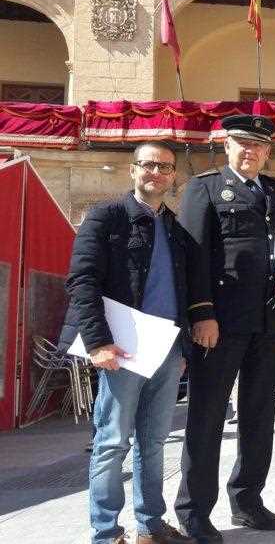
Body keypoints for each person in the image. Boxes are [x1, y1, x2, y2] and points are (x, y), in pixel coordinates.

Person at [61, 142, 212, 544]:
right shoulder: (107, 217)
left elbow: (183, 290)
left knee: (154, 442)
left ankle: (150, 526)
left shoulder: (176, 230)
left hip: (166, 351)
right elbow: (82, 281)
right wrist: (98, 342)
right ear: (132, 170)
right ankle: (106, 533)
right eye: (148, 165)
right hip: (121, 350)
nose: (156, 173)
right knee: (112, 443)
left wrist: (182, 350)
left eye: (165, 167)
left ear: (173, 176)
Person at [175, 115, 275, 542]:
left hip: (268, 321)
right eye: (242, 143)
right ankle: (194, 511)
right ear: (227, 146)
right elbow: (193, 256)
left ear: (268, 151)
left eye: (258, 145)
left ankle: (248, 500)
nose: (250, 151)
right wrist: (201, 313)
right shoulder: (204, 188)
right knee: (207, 416)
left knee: (259, 415)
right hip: (220, 323)